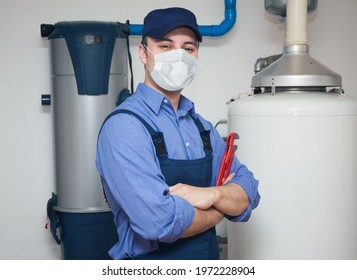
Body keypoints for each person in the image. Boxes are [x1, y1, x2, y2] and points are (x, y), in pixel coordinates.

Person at [96, 7, 260, 260]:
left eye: (188, 48)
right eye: (165, 46)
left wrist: (211, 194)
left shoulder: (202, 128)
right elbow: (158, 222)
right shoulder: (125, 127)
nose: (179, 56)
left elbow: (248, 193)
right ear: (143, 53)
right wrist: (219, 209)